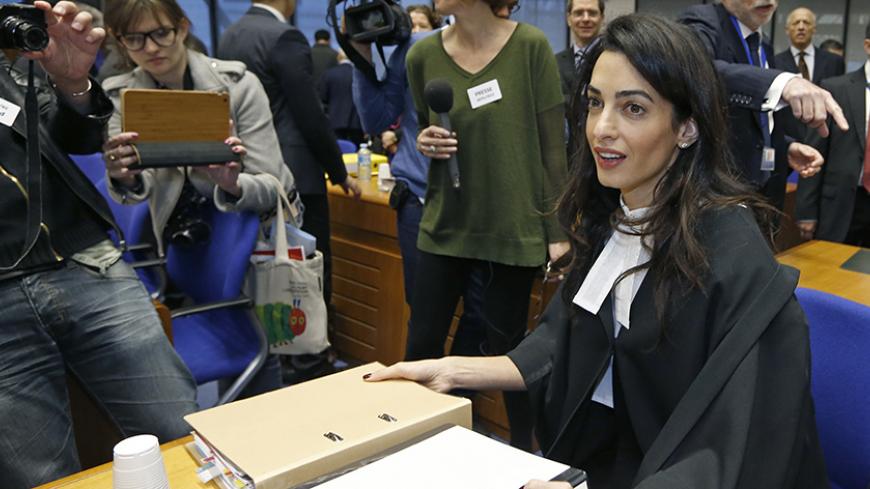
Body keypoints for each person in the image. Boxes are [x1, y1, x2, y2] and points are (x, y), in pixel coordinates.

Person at [366, 14, 829, 489]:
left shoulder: (731, 251)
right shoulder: (619, 215)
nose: (601, 129)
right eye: (594, 103)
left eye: (633, 109)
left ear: (687, 128)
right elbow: (570, 330)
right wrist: (454, 370)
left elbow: (733, 447)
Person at [0, 3, 197, 488]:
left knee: (182, 438)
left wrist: (72, 83)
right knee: (40, 475)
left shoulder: (12, 67)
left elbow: (73, 137)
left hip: (86, 263)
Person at [406, 0, 569, 450]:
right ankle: (408, 447)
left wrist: (556, 229)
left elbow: (553, 147)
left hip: (513, 225)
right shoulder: (421, 55)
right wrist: (425, 141)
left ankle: (526, 454)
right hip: (445, 221)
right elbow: (428, 126)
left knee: (511, 353)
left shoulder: (531, 47)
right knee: (421, 342)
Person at [218, 0, 361, 383]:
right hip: (294, 174)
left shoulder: (231, 33)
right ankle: (310, 360)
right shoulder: (285, 36)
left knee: (262, 265)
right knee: (308, 271)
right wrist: (338, 172)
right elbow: (309, 112)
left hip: (245, 173)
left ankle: (272, 354)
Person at [679, 0, 849, 212]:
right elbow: (698, 69)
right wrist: (783, 82)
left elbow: (755, 118)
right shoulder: (702, 20)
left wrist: (784, 148)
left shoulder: (762, 43)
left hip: (764, 191)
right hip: (718, 194)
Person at [796, 23, 870, 246]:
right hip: (842, 204)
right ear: (868, 46)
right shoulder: (835, 89)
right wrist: (806, 211)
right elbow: (814, 150)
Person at [773, 7, 845, 85]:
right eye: (796, 23)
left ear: (814, 29)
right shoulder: (774, 63)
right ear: (787, 30)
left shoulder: (834, 62)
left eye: (806, 22)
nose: (801, 27)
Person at [555, 0, 604, 99]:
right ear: (568, 19)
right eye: (579, 13)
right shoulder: (554, 62)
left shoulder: (613, 60)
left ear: (602, 18)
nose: (586, 19)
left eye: (592, 13)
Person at [319, 50, 364, 146]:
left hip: (335, 121)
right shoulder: (360, 74)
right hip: (356, 122)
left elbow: (322, 98)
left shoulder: (329, 74)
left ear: (338, 57)